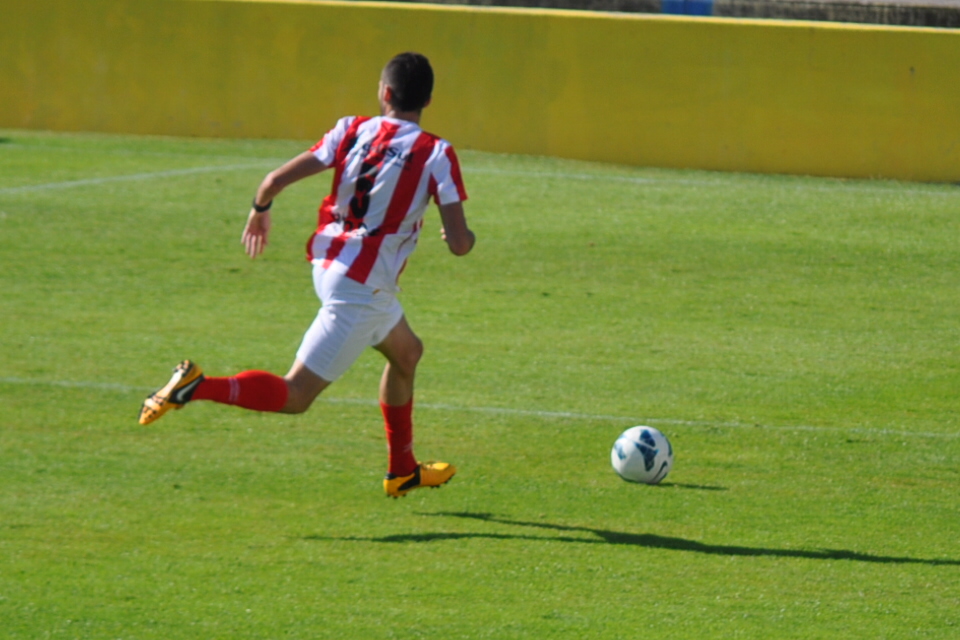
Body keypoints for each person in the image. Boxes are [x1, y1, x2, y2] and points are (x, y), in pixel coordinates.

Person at [138, 52, 475, 499]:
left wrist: (260, 209)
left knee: (407, 353)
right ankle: (196, 386)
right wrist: (464, 236)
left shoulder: (351, 129)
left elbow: (274, 180)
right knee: (296, 395)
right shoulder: (437, 152)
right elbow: (459, 244)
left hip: (333, 265)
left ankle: (402, 470)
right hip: (361, 287)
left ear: (385, 92)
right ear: (428, 100)